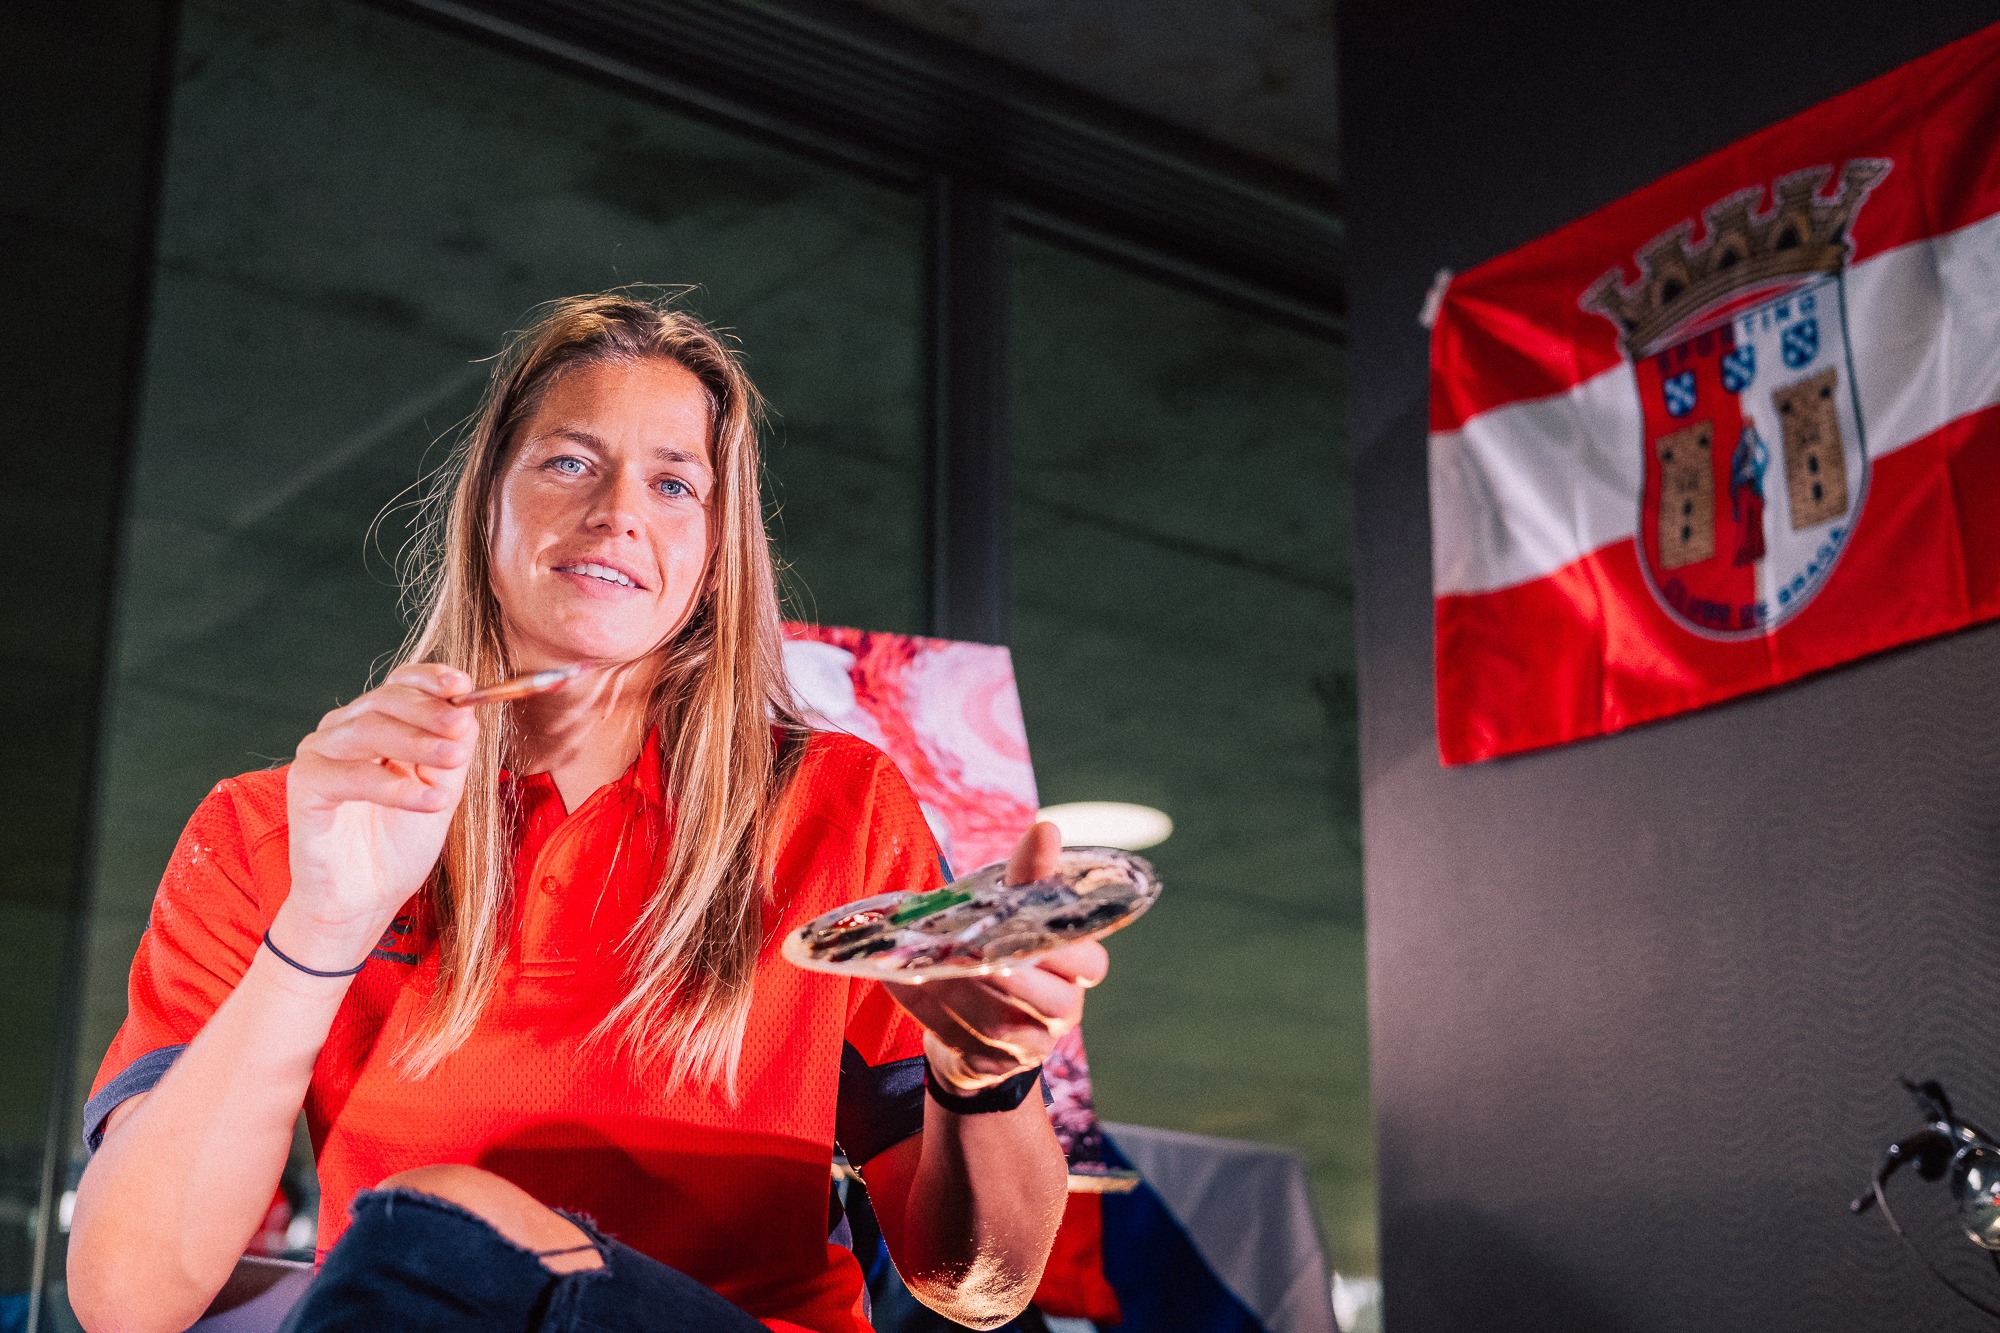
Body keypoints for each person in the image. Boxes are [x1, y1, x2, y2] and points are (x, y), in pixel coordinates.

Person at [67, 293, 1107, 1333]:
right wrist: (325, 924)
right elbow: (127, 1300)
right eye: (568, 461)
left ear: (714, 551)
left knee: (440, 1222)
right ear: (486, 503)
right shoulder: (276, 829)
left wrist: (983, 1080)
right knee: (431, 1236)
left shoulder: (833, 802)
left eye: (673, 482)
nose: (618, 511)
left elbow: (980, 1286)